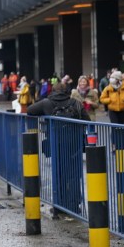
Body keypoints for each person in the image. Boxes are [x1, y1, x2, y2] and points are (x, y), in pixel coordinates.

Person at [27, 82, 84, 213]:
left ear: (53, 91)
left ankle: (59, 206)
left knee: (59, 173)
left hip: (56, 143)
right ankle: (74, 205)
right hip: (74, 143)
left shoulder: (46, 103)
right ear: (67, 91)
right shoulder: (75, 103)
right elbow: (87, 120)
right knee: (74, 175)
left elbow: (30, 110)